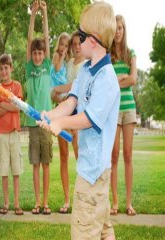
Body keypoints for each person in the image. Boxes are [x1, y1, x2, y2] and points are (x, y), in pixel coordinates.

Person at [38, 2, 118, 239]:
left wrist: (62, 124)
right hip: (89, 167)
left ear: (93, 40)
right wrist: (51, 115)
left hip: (94, 173)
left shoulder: (107, 79)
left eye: (81, 35)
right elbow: (71, 103)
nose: (78, 40)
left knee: (84, 231)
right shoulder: (85, 71)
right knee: (102, 227)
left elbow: (89, 118)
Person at [51, 31, 86, 214]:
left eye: (79, 43)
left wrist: (58, 89)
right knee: (63, 157)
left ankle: (82, 199)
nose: (76, 46)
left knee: (80, 157)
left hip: (79, 114)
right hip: (65, 110)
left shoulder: (87, 65)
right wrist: (56, 95)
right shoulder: (69, 64)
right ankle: (66, 200)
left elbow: (74, 88)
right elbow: (58, 81)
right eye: (74, 44)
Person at [26, 0, 52, 215]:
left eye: (40, 53)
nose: (37, 55)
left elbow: (45, 39)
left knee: (46, 164)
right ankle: (36, 202)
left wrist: (44, 12)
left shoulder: (46, 67)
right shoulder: (28, 68)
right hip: (33, 122)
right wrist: (32, 14)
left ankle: (45, 202)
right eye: (34, 53)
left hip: (48, 121)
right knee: (35, 163)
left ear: (43, 55)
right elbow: (30, 40)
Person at [110, 15, 137, 217]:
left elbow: (134, 79)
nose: (118, 31)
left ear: (124, 30)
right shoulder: (108, 57)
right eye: (115, 28)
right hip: (113, 109)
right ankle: (115, 202)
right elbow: (107, 84)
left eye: (121, 27)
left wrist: (117, 82)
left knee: (127, 154)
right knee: (114, 156)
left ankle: (128, 203)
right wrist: (120, 79)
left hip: (128, 108)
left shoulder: (131, 54)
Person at [0, 54, 24, 216]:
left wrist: (4, 104)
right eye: (1, 68)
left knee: (16, 170)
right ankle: (6, 203)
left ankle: (17, 204)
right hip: (2, 134)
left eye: (7, 68)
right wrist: (8, 104)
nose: (4, 71)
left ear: (11, 68)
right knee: (4, 170)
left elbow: (18, 108)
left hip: (14, 132)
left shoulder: (17, 86)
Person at [50, 32, 70, 103]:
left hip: (61, 83)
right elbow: (57, 69)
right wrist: (63, 56)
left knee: (66, 99)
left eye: (66, 46)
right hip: (54, 84)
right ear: (58, 44)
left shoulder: (66, 58)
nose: (63, 48)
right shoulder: (57, 55)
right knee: (61, 101)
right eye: (61, 44)